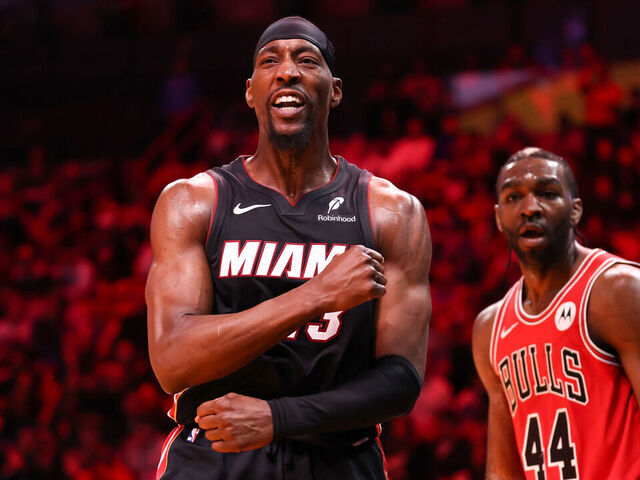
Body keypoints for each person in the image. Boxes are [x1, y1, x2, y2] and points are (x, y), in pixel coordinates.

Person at [146, 16, 432, 480]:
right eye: (269, 61)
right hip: (214, 458)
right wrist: (316, 295)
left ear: (334, 90)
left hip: (339, 457)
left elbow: (400, 381)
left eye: (306, 60)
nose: (287, 72)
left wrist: (276, 420)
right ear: (250, 91)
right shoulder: (194, 202)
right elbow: (173, 361)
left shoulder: (391, 212)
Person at [472, 147, 640, 479]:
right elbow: (502, 469)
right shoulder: (490, 327)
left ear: (575, 209)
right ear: (497, 216)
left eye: (547, 194)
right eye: (513, 198)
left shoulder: (617, 290)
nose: (529, 208)